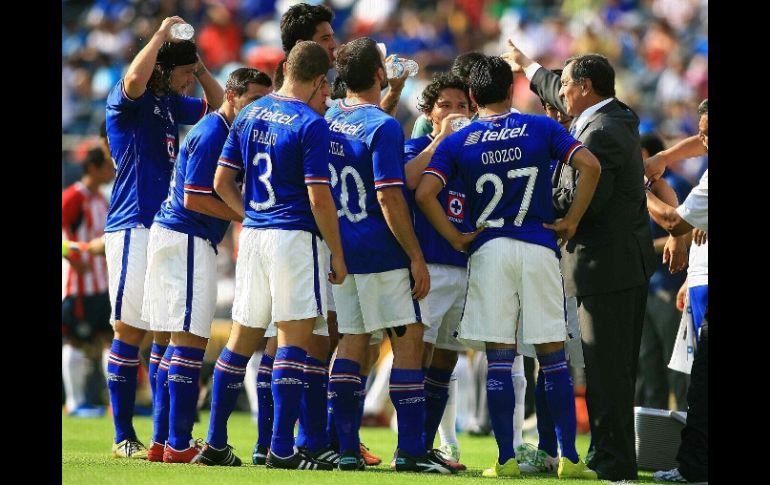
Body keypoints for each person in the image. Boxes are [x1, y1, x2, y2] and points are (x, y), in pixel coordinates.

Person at [416, 55, 601, 479]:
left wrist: (455, 237)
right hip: (538, 246)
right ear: (512, 90)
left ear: (474, 96)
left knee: (500, 357)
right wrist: (571, 220)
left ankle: (506, 460)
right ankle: (570, 460)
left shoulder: (460, 139)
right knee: (553, 356)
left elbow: (426, 192)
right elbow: (590, 166)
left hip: (490, 248)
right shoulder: (541, 126)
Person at [504, 41, 658, 480]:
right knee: (612, 369)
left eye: (568, 86)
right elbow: (554, 86)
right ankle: (614, 457)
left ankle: (612, 461)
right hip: (618, 266)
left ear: (586, 87)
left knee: (607, 370)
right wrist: (524, 66)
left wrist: (539, 198)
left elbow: (586, 201)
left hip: (604, 268)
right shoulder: (613, 116)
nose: (561, 94)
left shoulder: (599, 133)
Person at [211, 40, 347, 471]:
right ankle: (281, 449)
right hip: (293, 237)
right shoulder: (311, 123)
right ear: (320, 80)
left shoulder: (249, 112)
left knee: (241, 340)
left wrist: (251, 215)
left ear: (286, 68)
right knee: (293, 339)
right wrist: (338, 254)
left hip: (253, 236)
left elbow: (221, 181)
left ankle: (215, 441)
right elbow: (319, 197)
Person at [325, 37, 452, 474]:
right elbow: (389, 197)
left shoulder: (329, 117)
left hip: (342, 251)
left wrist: (392, 91)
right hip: (381, 251)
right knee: (409, 342)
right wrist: (415, 256)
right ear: (378, 73)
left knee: (353, 342)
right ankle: (412, 452)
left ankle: (343, 447)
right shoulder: (382, 127)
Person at [103, 16, 224, 459]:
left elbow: (218, 106)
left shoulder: (173, 104)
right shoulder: (129, 100)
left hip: (162, 229)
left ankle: (160, 439)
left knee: (161, 331)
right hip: (132, 224)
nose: (190, 81)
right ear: (161, 68)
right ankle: (122, 436)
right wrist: (160, 35)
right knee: (129, 328)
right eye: (184, 74)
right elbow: (135, 76)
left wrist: (200, 66)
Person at [139, 67, 271, 464]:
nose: (257, 111)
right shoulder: (215, 132)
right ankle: (180, 443)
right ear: (231, 95)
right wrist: (248, 216)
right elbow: (196, 197)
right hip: (187, 237)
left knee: (172, 343)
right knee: (190, 343)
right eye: (251, 101)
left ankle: (164, 441)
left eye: (263, 103)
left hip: (174, 237)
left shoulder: (218, 129)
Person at [402, 73, 472, 471]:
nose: (456, 112)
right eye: (446, 105)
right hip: (426, 266)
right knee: (418, 354)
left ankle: (425, 448)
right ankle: (408, 449)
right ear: (428, 112)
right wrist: (441, 138)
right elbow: (409, 181)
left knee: (447, 360)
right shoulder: (416, 146)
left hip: (463, 269)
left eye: (463, 106)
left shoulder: (473, 155)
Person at [645, 99, 708, 484]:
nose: (701, 140)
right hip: (699, 282)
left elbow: (672, 218)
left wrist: (641, 187)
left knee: (700, 385)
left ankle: (694, 467)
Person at [636, 133, 692, 412]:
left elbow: (691, 232)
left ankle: (683, 429)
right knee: (648, 365)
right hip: (644, 286)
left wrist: (647, 246)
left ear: (647, 155)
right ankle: (651, 438)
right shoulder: (636, 187)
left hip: (669, 286)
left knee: (677, 365)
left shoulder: (676, 184)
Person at [62, 146, 115, 416]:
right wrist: (71, 257)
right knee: (76, 342)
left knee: (109, 339)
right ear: (93, 168)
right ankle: (74, 402)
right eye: (108, 166)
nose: (112, 171)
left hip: (103, 283)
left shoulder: (102, 200)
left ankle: (112, 403)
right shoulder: (73, 196)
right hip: (78, 284)